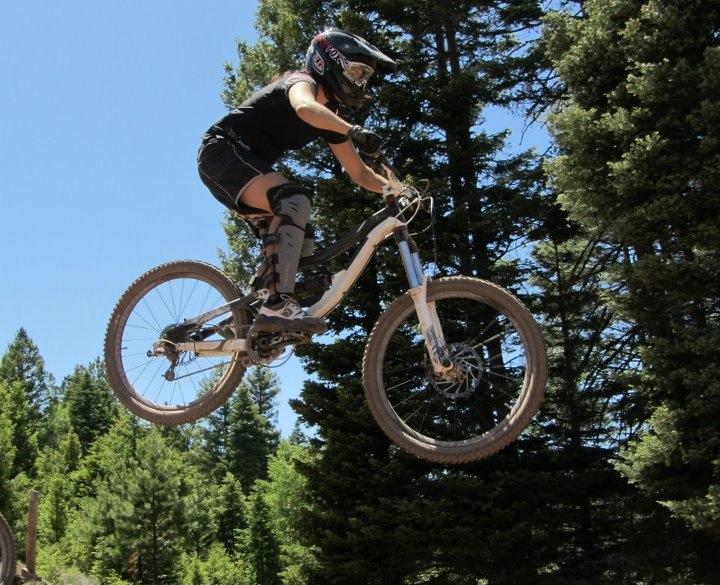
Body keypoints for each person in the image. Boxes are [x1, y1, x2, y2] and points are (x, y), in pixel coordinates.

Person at [197, 28, 396, 334]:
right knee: (294, 201)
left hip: (240, 168)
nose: (359, 82)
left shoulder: (330, 114)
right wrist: (354, 130)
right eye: (356, 72)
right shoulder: (300, 82)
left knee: (303, 240)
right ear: (328, 62)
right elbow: (305, 107)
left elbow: (358, 173)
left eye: (364, 76)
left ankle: (251, 312)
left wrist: (397, 190)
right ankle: (276, 305)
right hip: (221, 152)